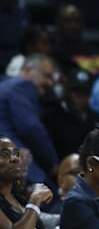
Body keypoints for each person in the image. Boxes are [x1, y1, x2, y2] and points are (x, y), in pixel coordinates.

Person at [0, 54, 59, 184]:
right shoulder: (21, 85)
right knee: (50, 198)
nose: (49, 83)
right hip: (14, 161)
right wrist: (52, 162)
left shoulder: (6, 85)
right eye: (46, 75)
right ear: (28, 69)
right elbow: (30, 127)